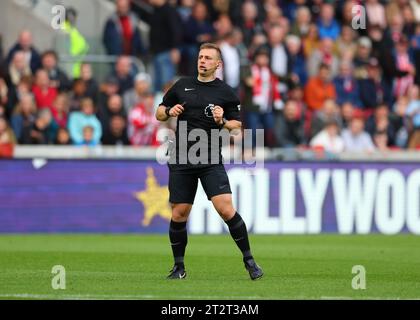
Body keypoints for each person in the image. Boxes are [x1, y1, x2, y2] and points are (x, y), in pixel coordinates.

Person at [155, 43, 263, 280]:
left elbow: (236, 126)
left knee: (225, 209)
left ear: (218, 64)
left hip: (210, 158)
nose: (202, 61)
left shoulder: (226, 92)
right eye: (200, 57)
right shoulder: (182, 85)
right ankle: (179, 267)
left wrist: (223, 120)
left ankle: (250, 261)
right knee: (179, 213)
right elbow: (159, 111)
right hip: (182, 157)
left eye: (207, 58)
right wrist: (169, 111)